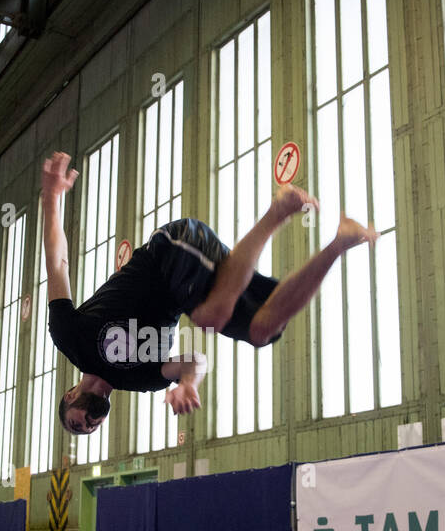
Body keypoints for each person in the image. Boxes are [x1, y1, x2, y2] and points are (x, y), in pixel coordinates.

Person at [41, 151, 381, 434]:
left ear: (71, 394)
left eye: (76, 423)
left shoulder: (71, 338)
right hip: (199, 288)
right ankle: (341, 241)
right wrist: (189, 384)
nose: (87, 425)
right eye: (90, 430)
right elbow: (193, 361)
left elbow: (58, 265)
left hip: (170, 251)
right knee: (262, 330)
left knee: (210, 316)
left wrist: (52, 199)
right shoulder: (141, 379)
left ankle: (279, 211)